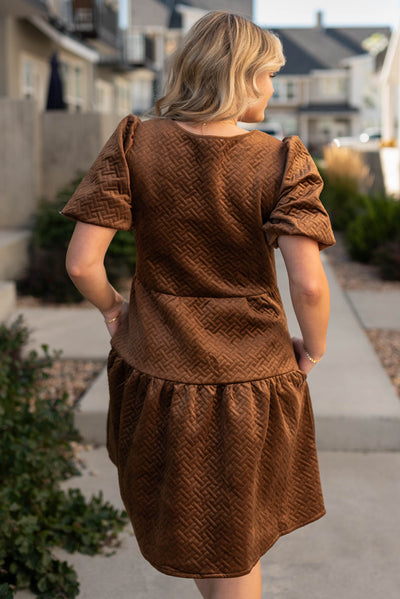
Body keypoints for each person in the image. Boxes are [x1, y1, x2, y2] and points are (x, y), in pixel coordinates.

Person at [61, 10, 336, 599]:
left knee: (196, 528)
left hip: (154, 371)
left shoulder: (135, 140)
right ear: (239, 76)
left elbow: (81, 264)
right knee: (231, 544)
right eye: (266, 75)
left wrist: (114, 310)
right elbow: (309, 284)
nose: (269, 88)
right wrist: (311, 352)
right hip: (249, 378)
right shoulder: (282, 159)